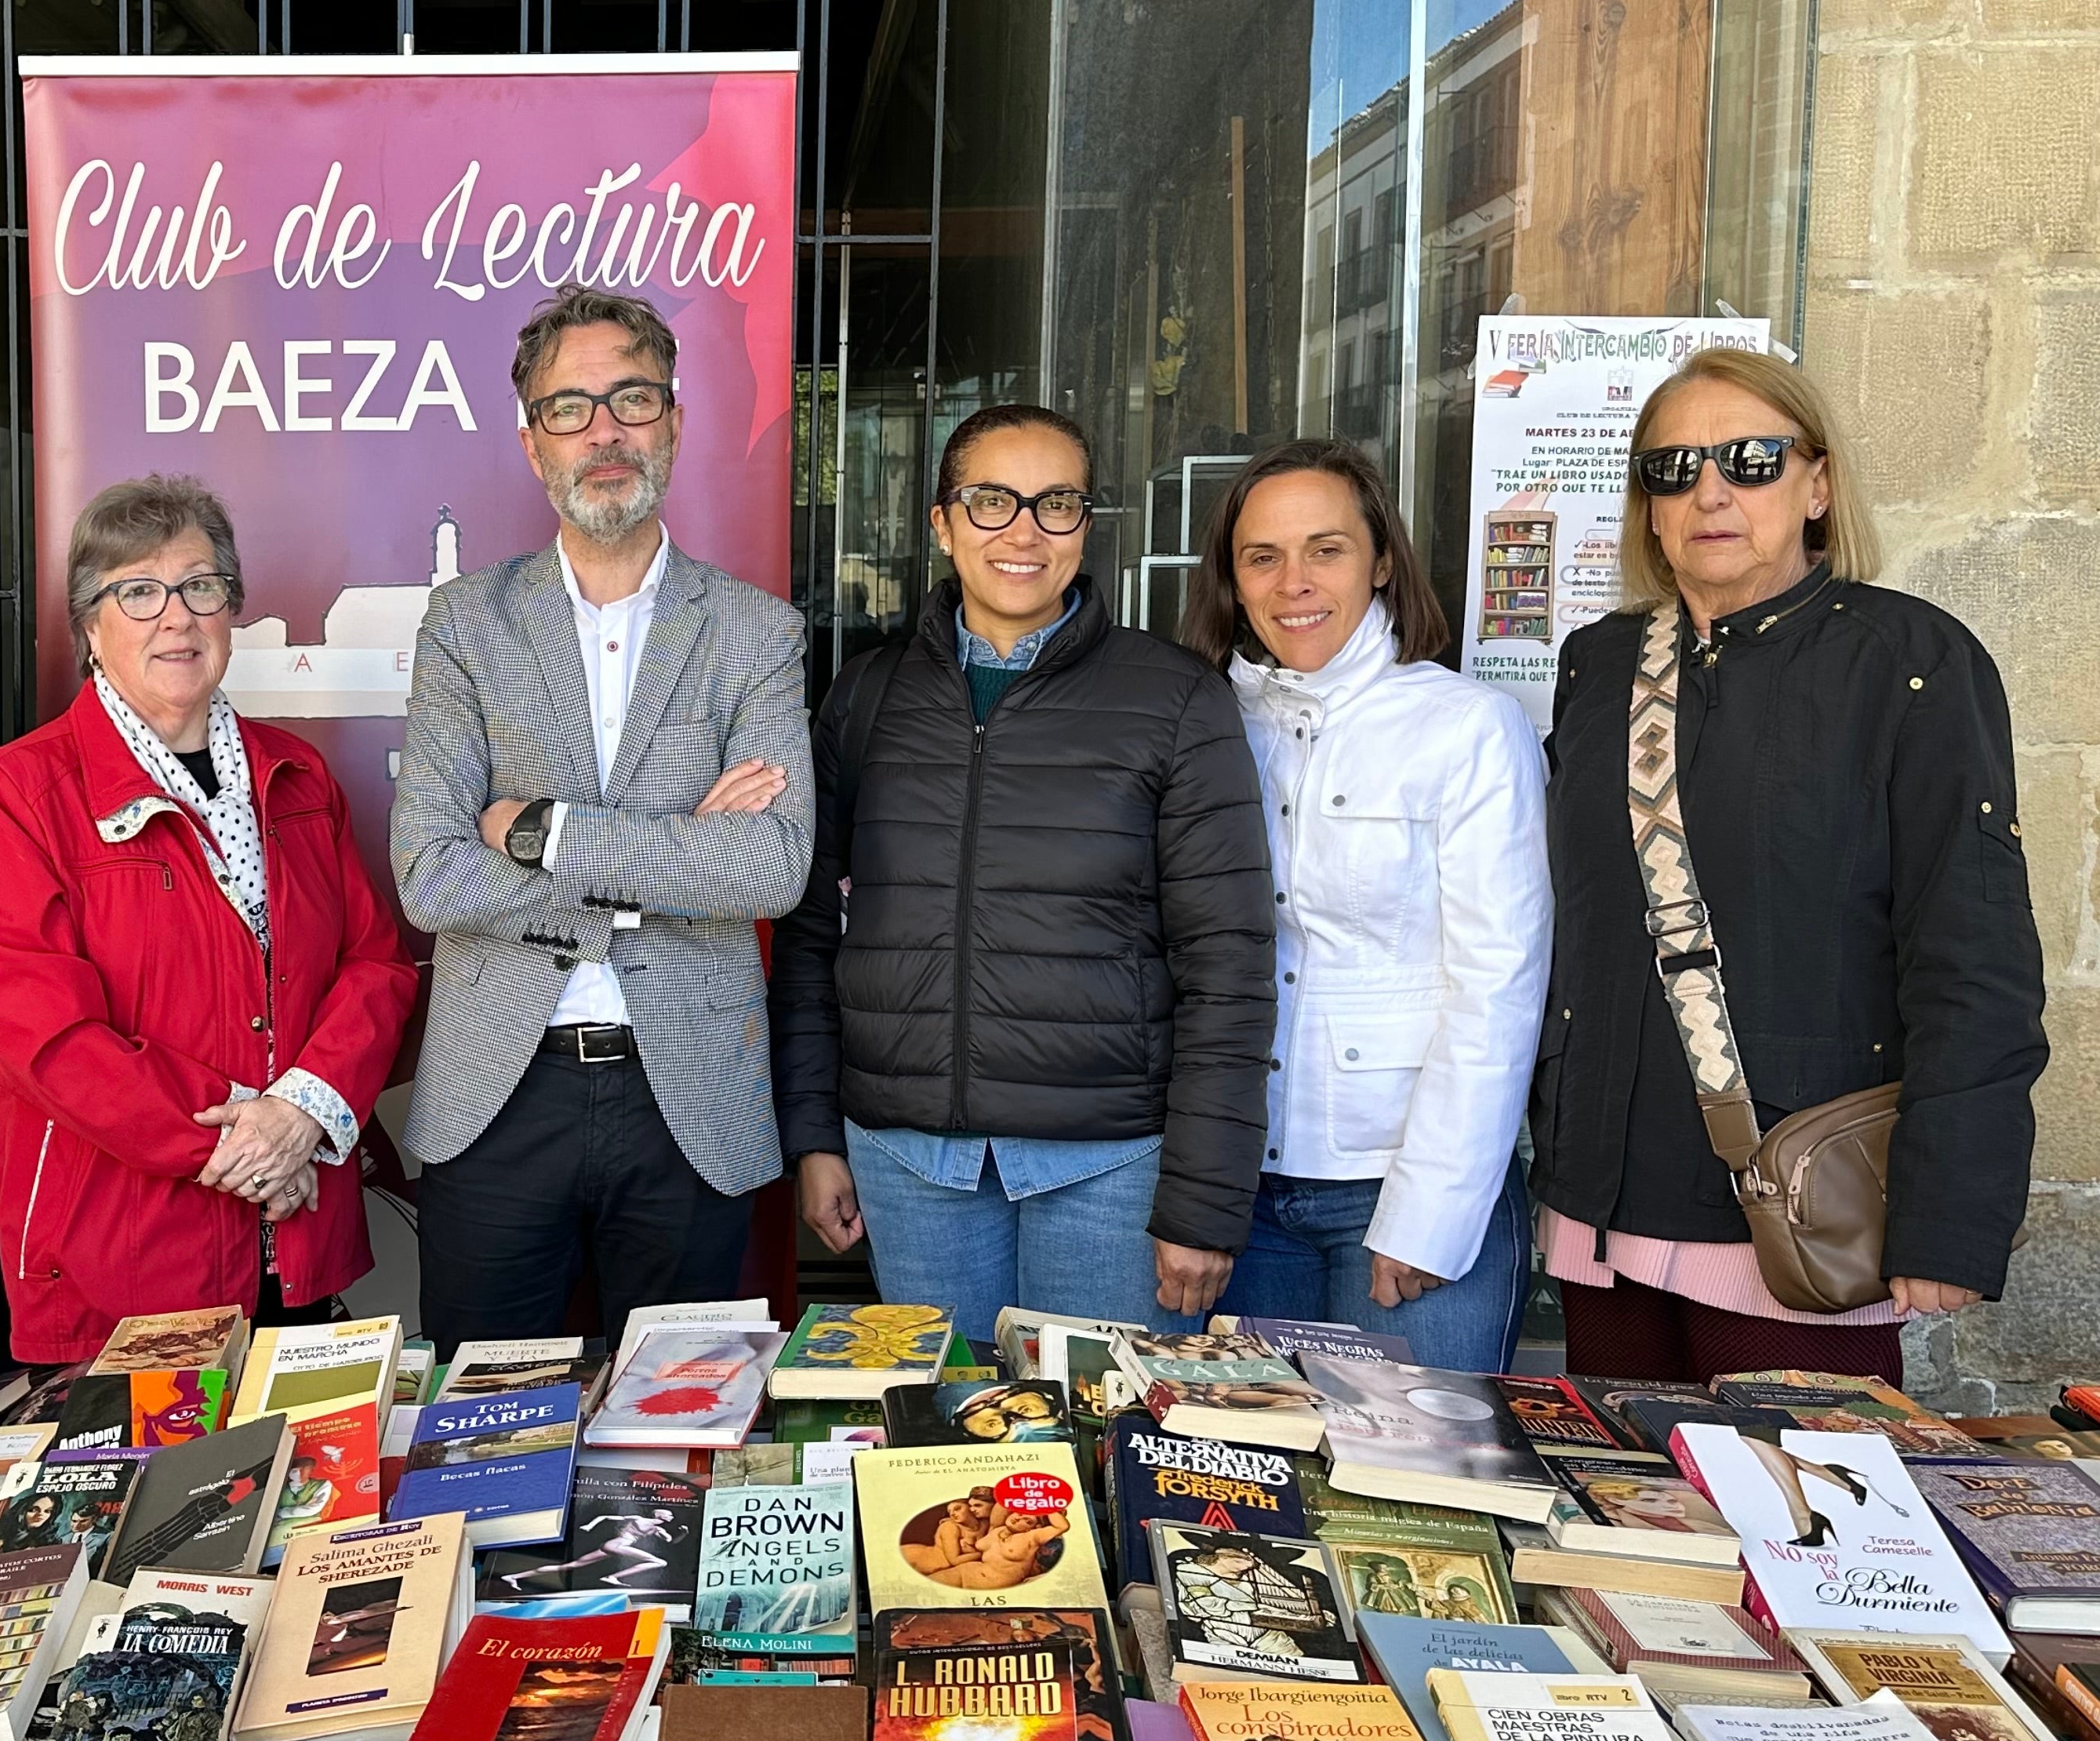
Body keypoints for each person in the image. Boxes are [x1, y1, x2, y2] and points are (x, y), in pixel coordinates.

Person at [1533, 348, 2044, 1382]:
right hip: (1604, 1211)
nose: (1710, 491)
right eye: (1673, 468)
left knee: (1805, 1532)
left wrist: (1948, 1216)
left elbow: (1974, 958)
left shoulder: (1910, 663)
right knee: (1626, 1533)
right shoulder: (1600, 667)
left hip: (1795, 1222)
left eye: (1751, 459)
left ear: (1817, 484)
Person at [773, 403, 1274, 1346]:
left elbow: (1230, 965)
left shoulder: (1172, 699)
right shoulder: (867, 697)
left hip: (1112, 1168)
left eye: (1057, 505)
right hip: (907, 1159)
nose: (1024, 533)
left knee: (1100, 1448)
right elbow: (810, 936)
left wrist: (1204, 1199)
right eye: (993, 500)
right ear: (943, 521)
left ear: (1086, 526)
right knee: (942, 1452)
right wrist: (813, 1136)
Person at [391, 285, 814, 1348]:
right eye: (570, 408)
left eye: (632, 398)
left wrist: (541, 830)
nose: (606, 431)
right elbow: (432, 875)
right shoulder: (464, 623)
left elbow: (770, 868)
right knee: (484, 1438)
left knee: (676, 1444)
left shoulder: (756, 633)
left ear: (674, 420)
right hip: (500, 1091)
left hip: (693, 1099)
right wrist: (669, 867)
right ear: (534, 442)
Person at [0, 476, 416, 1365]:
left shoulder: (297, 775)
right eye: (138, 592)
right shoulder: (17, 794)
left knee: (303, 1492)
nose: (176, 617)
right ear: (90, 626)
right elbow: (40, 1037)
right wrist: (253, 1141)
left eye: (200, 587)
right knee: (148, 1504)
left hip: (298, 1246)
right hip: (124, 1260)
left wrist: (302, 1116)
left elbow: (377, 966)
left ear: (231, 612)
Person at [1176, 440, 1550, 1372]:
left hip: (1401, 1184)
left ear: (1382, 558)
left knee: (1413, 1495)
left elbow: (1498, 983)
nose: (1294, 582)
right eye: (1262, 557)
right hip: (1241, 1190)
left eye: (1327, 549)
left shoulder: (1468, 726)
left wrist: (1432, 1209)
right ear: (1232, 577)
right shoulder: (1203, 719)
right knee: (1254, 1491)